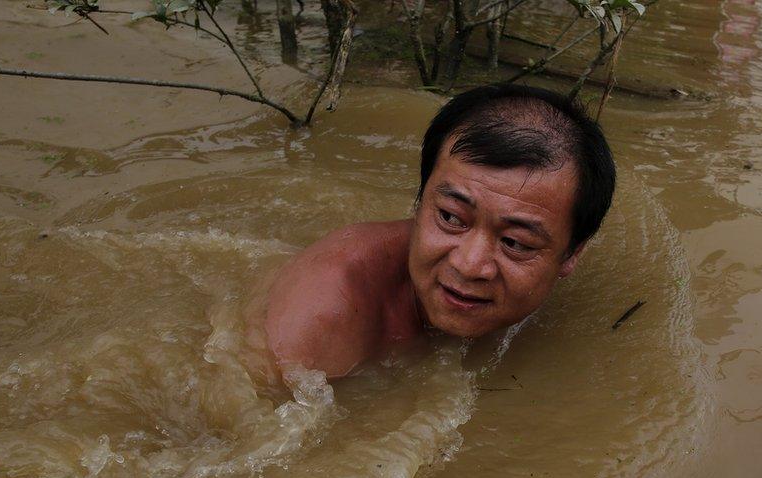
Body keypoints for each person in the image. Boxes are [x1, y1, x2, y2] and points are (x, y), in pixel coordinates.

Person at [264, 83, 616, 380]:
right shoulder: (315, 328)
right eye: (451, 218)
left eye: (514, 242)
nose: (468, 265)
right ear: (419, 203)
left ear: (571, 254)